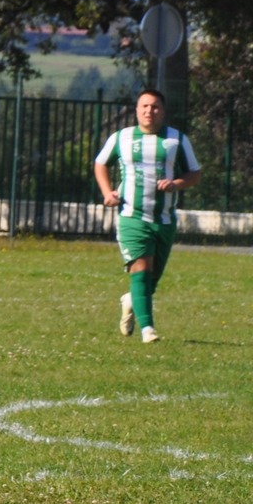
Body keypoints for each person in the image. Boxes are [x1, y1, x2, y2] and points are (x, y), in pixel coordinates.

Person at [93, 89, 201, 343]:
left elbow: (194, 174)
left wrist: (176, 183)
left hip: (164, 219)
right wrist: (108, 192)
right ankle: (147, 329)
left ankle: (132, 299)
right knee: (141, 270)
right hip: (131, 216)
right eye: (144, 106)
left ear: (162, 111)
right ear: (137, 110)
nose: (149, 111)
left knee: (151, 279)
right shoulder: (121, 138)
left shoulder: (177, 140)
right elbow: (101, 163)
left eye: (154, 107)